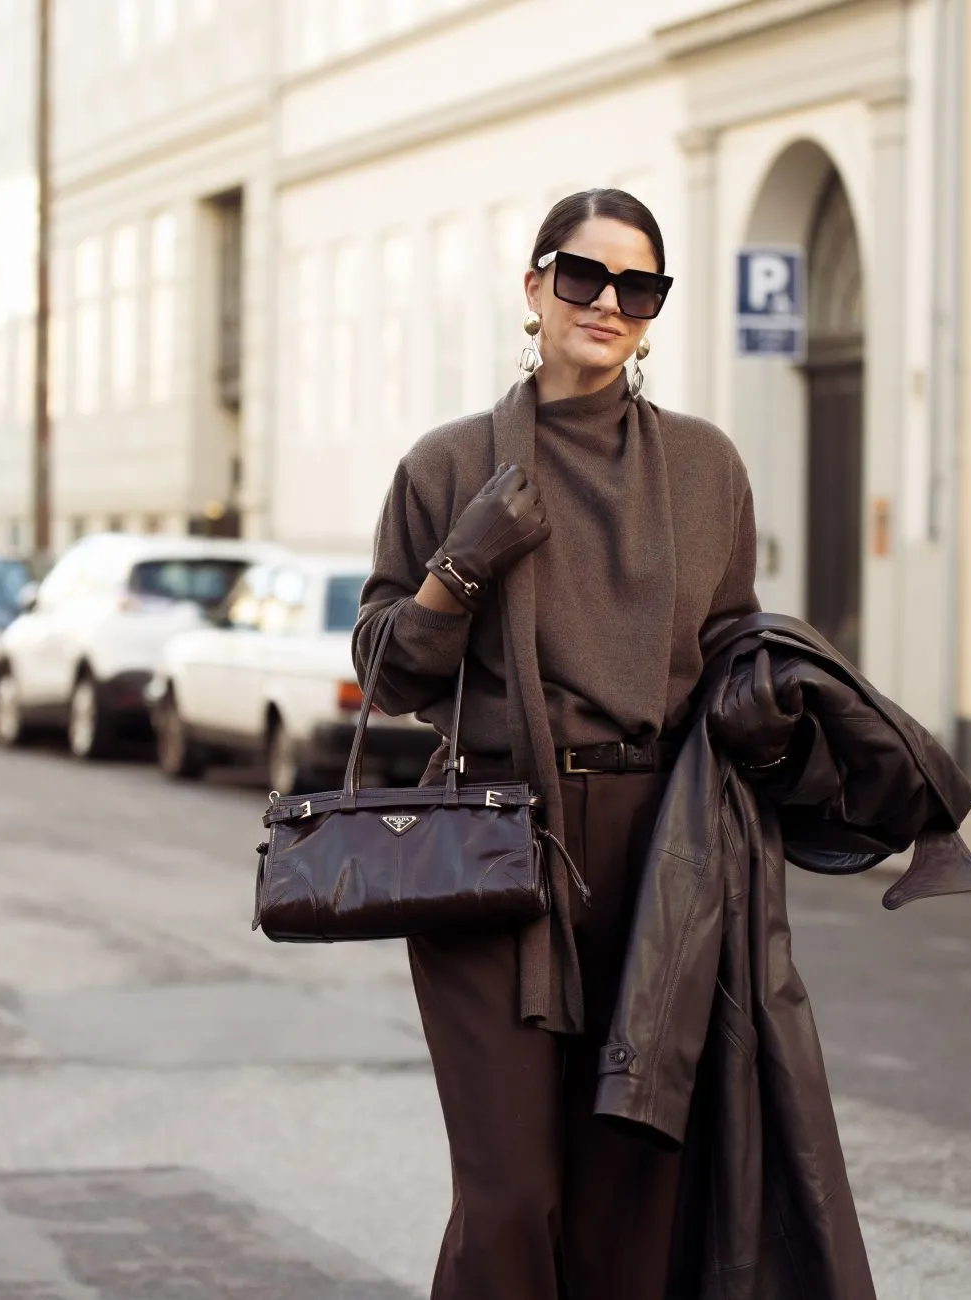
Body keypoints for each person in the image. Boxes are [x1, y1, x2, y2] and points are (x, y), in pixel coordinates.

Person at [352, 188, 761, 1299]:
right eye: (582, 276)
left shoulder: (705, 469)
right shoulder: (448, 466)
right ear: (534, 287)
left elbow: (730, 652)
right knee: (509, 1199)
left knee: (628, 1206)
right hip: (495, 846)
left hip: (660, 855)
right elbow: (388, 673)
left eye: (639, 286)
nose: (607, 303)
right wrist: (461, 564)